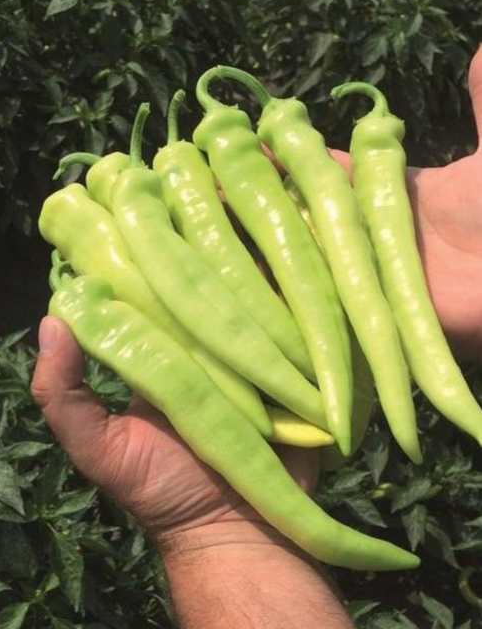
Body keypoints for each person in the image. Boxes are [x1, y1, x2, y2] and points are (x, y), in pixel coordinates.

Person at [31, 46, 482, 629]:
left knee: (302, 316)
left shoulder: (150, 200)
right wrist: (206, 524)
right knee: (293, 320)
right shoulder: (140, 209)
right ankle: (321, 403)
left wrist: (209, 533)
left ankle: (322, 406)